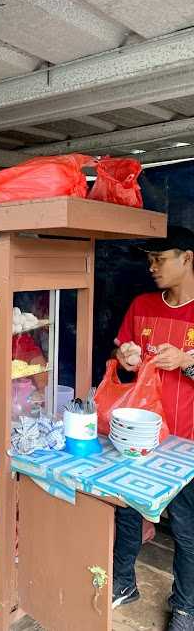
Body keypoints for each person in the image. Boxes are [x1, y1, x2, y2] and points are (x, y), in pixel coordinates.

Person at [112, 225, 194, 631]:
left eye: (161, 259)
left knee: (186, 527)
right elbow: (124, 351)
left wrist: (186, 361)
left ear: (188, 258)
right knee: (126, 512)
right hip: (141, 436)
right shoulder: (142, 304)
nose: (152, 267)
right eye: (149, 260)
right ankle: (123, 582)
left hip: (188, 443)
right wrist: (125, 354)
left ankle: (185, 607)